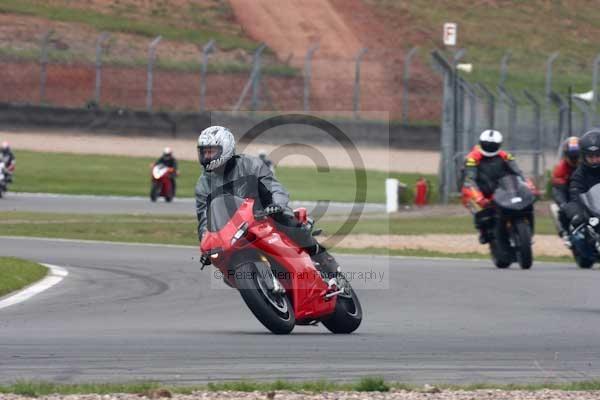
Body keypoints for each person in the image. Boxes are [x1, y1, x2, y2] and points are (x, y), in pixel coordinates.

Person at [195, 126, 337, 274]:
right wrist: (207, 245)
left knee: (286, 221)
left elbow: (274, 187)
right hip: (234, 229)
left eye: (211, 151)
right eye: (203, 152)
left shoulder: (250, 164)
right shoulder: (203, 185)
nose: (207, 156)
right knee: (225, 266)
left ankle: (323, 259)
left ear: (226, 148)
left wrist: (277, 204)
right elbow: (205, 220)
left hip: (265, 214)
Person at [461, 129, 525, 244]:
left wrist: (527, 187)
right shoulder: (472, 158)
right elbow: (469, 180)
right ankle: (483, 230)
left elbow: (518, 173)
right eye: (487, 144)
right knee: (478, 208)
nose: (489, 147)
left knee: (522, 205)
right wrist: (480, 198)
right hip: (480, 192)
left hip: (502, 191)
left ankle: (522, 230)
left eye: (493, 145)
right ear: (481, 143)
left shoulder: (506, 156)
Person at [566, 129, 600, 229]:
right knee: (579, 236)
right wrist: (577, 214)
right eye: (590, 156)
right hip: (591, 218)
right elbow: (575, 197)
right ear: (584, 156)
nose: (594, 160)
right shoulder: (579, 175)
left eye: (598, 156)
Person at [551, 136, 580, 239]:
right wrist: (563, 204)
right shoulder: (561, 168)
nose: (574, 159)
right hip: (569, 199)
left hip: (587, 198)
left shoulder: (589, 165)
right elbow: (558, 190)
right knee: (557, 209)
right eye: (571, 156)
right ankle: (565, 233)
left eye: (577, 156)